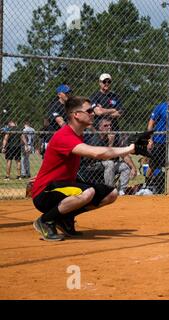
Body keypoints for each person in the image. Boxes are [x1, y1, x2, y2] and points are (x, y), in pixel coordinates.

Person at [31, 96, 139, 242]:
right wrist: (130, 148)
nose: (93, 113)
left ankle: (64, 218)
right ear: (76, 114)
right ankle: (45, 220)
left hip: (63, 188)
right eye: (88, 111)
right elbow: (98, 153)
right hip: (45, 192)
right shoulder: (64, 135)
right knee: (88, 192)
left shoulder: (79, 135)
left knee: (111, 194)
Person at [97, 118, 137, 195]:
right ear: (100, 128)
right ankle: (110, 191)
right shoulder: (97, 139)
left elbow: (123, 153)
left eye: (110, 125)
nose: (109, 127)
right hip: (97, 165)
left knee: (125, 166)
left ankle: (121, 191)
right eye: (106, 126)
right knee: (110, 163)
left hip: (110, 165)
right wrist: (111, 143)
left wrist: (133, 167)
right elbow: (105, 158)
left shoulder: (115, 137)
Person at [90, 73, 123, 142]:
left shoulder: (115, 96)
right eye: (104, 81)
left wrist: (103, 110)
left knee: (115, 150)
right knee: (98, 150)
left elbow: (120, 113)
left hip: (114, 128)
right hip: (99, 130)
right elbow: (98, 112)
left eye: (109, 82)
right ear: (100, 83)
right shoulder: (94, 96)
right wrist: (113, 110)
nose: (107, 83)